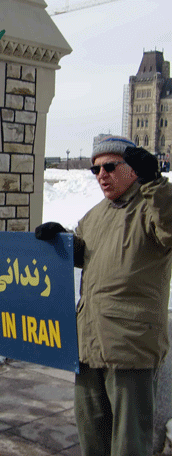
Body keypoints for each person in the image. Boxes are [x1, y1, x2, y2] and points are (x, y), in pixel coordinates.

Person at [35, 135, 172, 456]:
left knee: (129, 442)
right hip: (90, 342)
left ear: (134, 169)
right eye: (95, 170)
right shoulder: (96, 214)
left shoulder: (151, 207)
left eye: (110, 166)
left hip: (130, 344)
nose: (101, 175)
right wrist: (63, 241)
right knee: (91, 432)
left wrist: (156, 183)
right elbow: (89, 254)